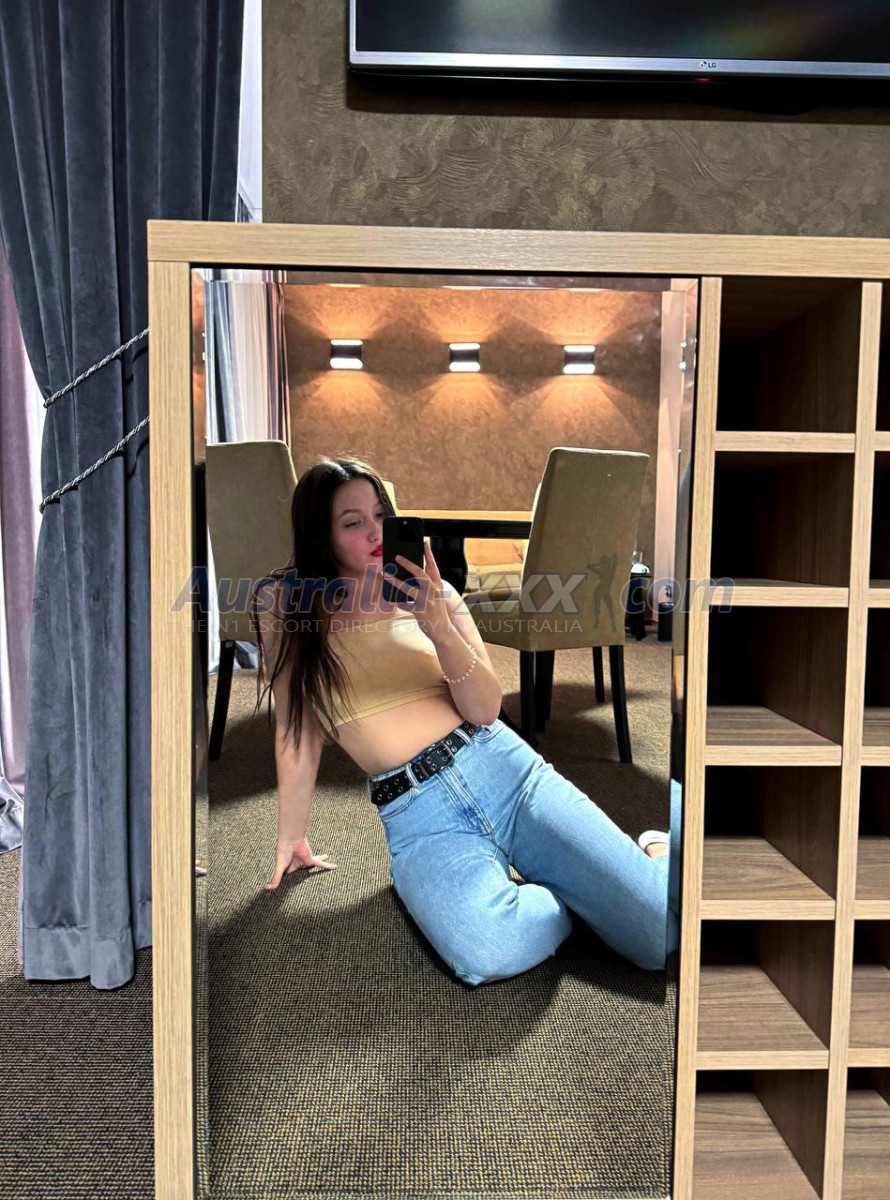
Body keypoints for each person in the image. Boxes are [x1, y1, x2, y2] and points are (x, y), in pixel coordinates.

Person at [250, 454, 679, 988]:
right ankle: (573, 891)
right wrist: (291, 836)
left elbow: (484, 710)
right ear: (320, 534)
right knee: (485, 950)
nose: (376, 532)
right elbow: (295, 731)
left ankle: (656, 848)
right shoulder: (285, 605)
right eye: (353, 522)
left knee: (657, 938)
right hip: (419, 815)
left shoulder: (438, 596)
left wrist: (437, 626)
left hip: (507, 773)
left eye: (381, 515)